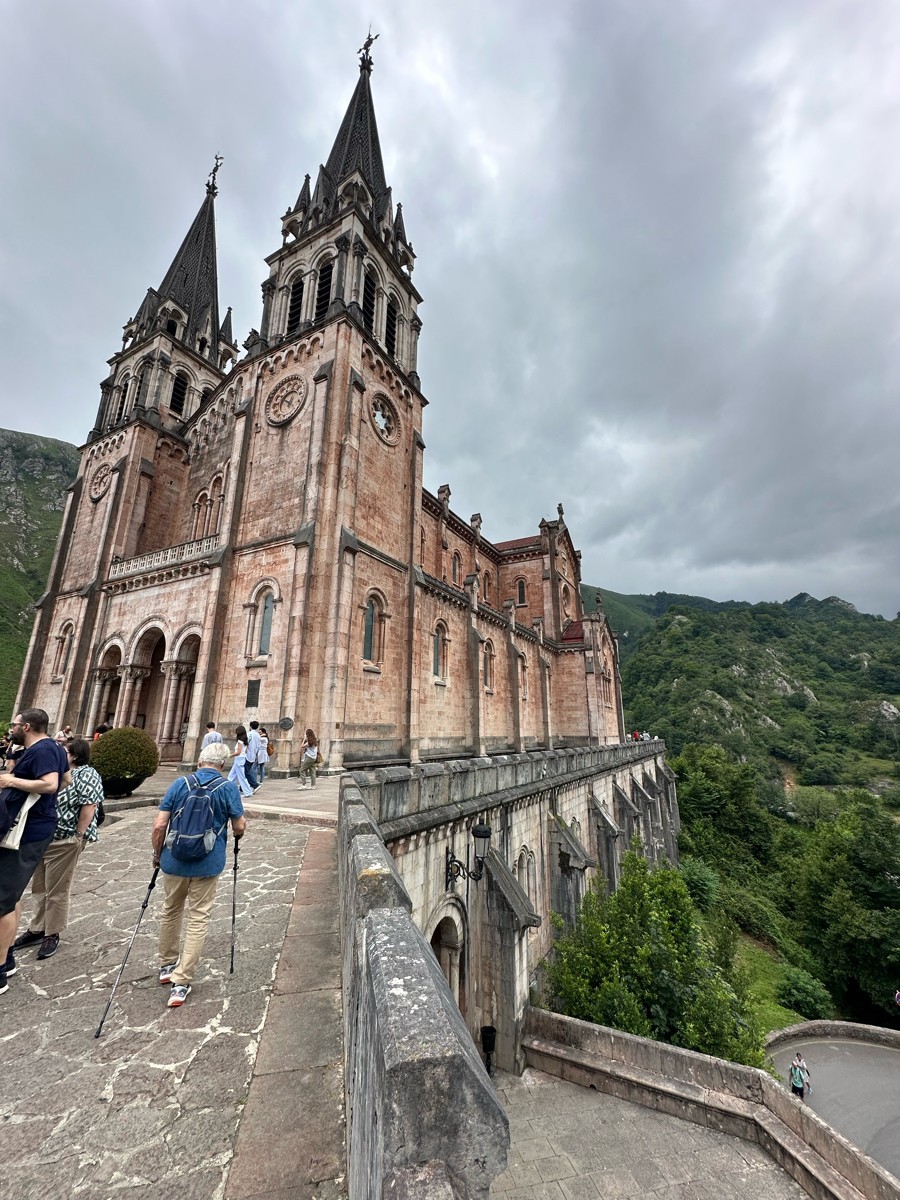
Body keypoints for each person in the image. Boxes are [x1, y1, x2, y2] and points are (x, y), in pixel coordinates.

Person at [151, 741, 245, 1008]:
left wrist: (157, 855)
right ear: (222, 764)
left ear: (200, 760)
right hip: (207, 862)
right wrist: (238, 832)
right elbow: (239, 825)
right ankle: (181, 982)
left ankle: (167, 966)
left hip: (174, 860)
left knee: (170, 910)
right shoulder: (227, 788)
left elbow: (159, 825)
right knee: (198, 917)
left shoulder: (179, 784)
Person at [0, 708, 69, 994]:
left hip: (26, 830)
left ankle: (0, 970)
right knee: (11, 894)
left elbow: (51, 784)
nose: (11, 728)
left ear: (27, 726)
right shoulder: (55, 748)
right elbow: (66, 780)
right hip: (32, 827)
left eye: (14, 724)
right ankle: (6, 957)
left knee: (2, 899)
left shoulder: (42, 750)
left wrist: (10, 781)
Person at [14, 738, 103, 960]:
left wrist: (78, 836)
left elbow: (90, 805)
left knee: (57, 889)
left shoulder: (87, 774)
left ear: (75, 755)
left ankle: (52, 933)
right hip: (43, 838)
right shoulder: (56, 773)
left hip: (66, 840)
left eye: (64, 751)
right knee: (40, 886)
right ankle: (37, 928)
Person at [227, 725, 253, 798]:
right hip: (241, 758)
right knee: (231, 776)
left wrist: (231, 755)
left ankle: (247, 792)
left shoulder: (240, 741)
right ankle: (229, 789)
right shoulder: (245, 741)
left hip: (239, 759)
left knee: (241, 777)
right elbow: (246, 751)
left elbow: (238, 752)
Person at [244, 721, 263, 790]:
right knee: (247, 771)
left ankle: (255, 784)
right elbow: (259, 746)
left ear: (251, 726)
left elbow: (246, 743)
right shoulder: (258, 735)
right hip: (253, 755)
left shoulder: (249, 734)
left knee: (246, 772)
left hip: (247, 755)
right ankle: (243, 787)